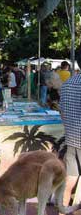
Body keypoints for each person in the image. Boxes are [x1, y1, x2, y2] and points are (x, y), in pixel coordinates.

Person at [59, 55, 81, 211]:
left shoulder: (67, 84)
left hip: (72, 139)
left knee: (70, 180)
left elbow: (62, 111)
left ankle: (63, 210)